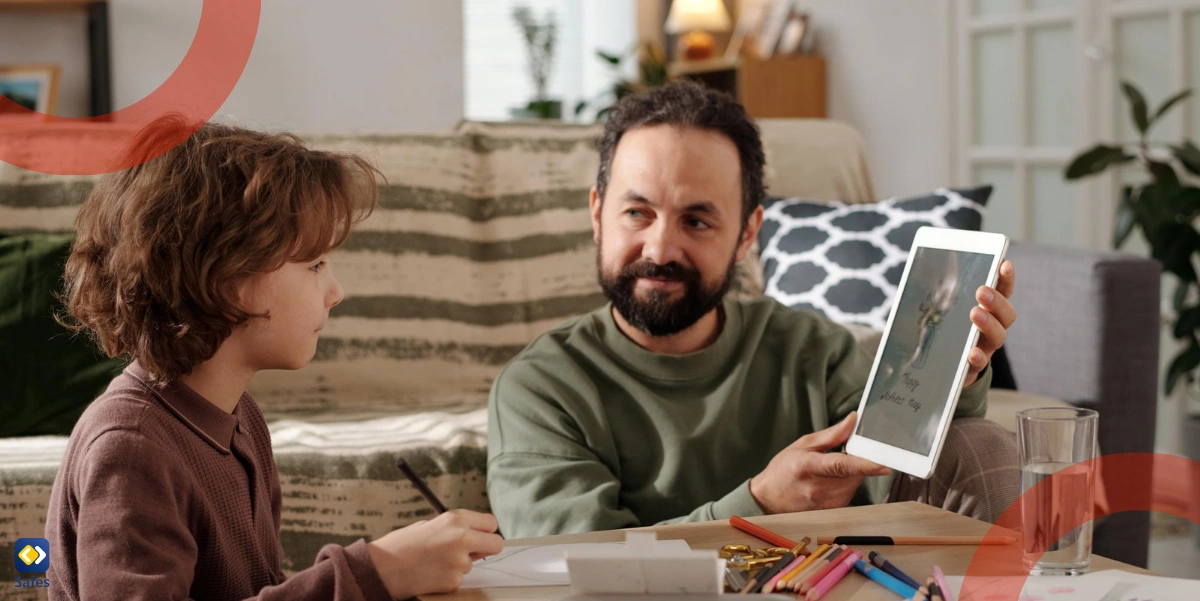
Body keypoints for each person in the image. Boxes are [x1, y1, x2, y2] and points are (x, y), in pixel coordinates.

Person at [486, 81, 1020, 539]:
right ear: (598, 214)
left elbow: (913, 453)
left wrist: (955, 372)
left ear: (747, 234)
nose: (659, 249)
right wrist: (760, 506)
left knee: (983, 445)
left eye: (696, 221)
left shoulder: (812, 351)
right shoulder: (541, 389)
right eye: (637, 212)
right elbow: (577, 568)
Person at [47, 117, 503, 601]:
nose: (336, 292)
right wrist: (374, 574)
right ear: (225, 275)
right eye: (315, 265)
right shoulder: (132, 448)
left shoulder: (239, 417)